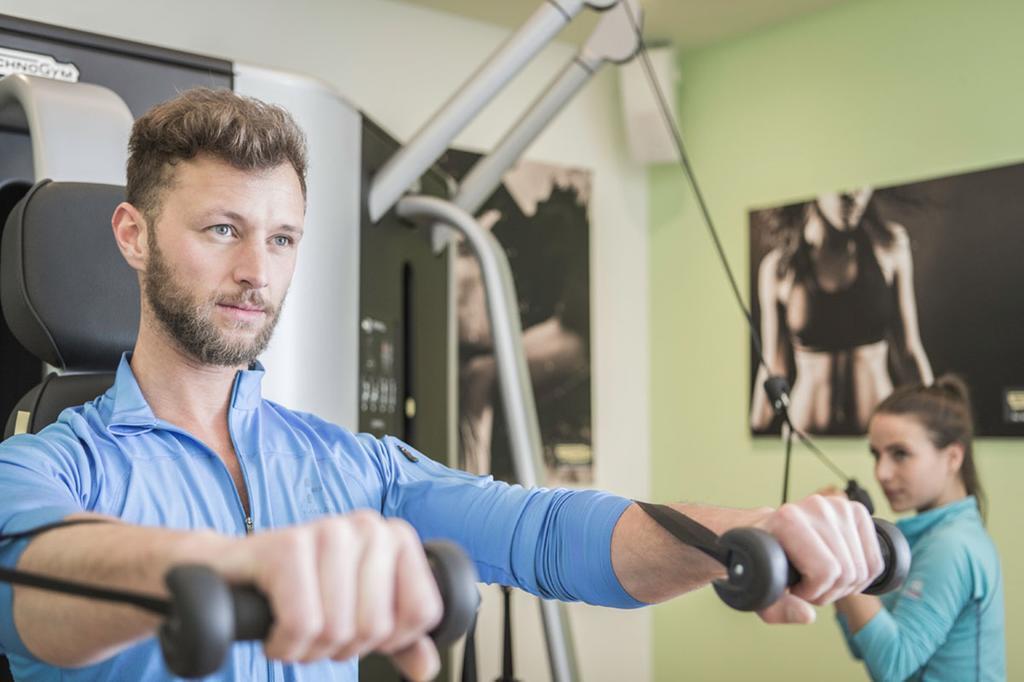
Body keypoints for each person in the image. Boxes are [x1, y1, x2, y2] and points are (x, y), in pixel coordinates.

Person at [0, 88, 884, 682]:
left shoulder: (351, 468)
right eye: (222, 228)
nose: (255, 272)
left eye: (281, 238)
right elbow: (38, 575)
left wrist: (742, 535)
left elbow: (548, 534)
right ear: (133, 234)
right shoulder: (45, 470)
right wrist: (231, 566)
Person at [833, 375, 1005, 680]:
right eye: (876, 454)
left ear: (952, 457)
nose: (881, 473)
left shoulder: (951, 545)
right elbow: (862, 645)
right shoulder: (925, 537)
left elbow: (893, 665)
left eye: (900, 454)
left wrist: (838, 545)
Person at [750, 187, 934, 435]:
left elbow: (909, 352)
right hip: (806, 438)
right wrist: (753, 429)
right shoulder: (778, 269)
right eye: (842, 186)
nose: (854, 194)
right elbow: (774, 365)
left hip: (877, 440)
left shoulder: (890, 248)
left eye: (862, 184)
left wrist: (939, 426)